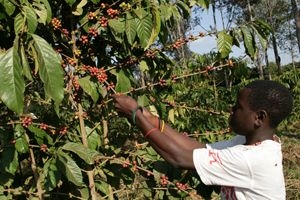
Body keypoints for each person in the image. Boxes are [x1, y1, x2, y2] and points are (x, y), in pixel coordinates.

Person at [112, 80, 293, 200]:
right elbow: (197, 149)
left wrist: (135, 115)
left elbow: (179, 158)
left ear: (259, 117)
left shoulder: (252, 159)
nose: (232, 109)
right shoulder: (245, 142)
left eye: (238, 107)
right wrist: (152, 120)